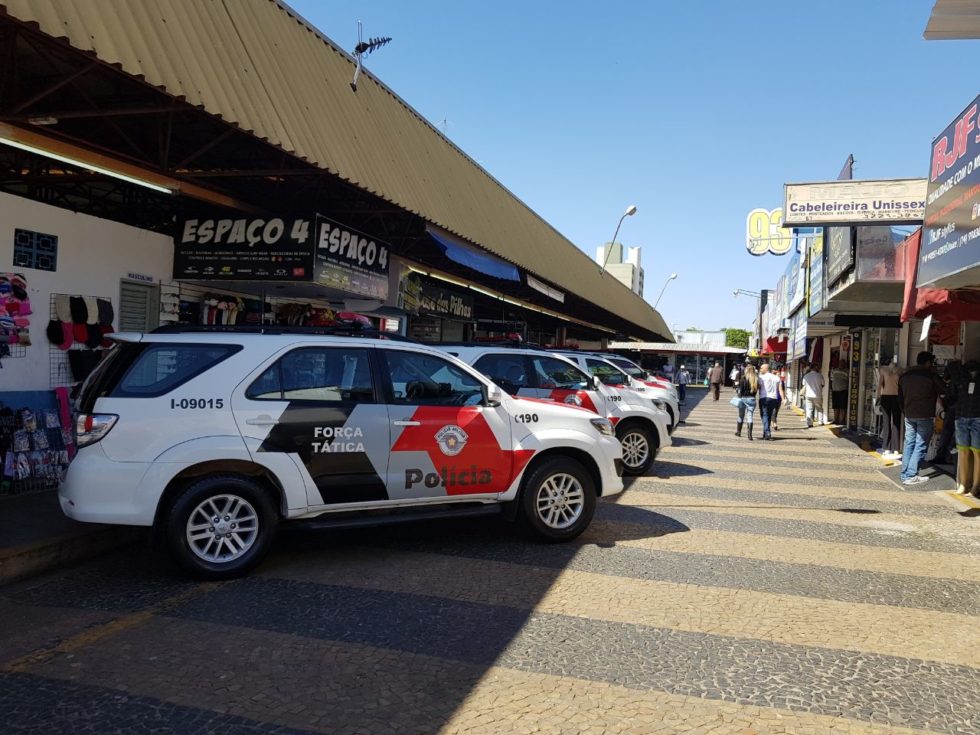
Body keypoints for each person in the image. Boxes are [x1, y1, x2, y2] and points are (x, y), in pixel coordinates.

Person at [898, 351, 946, 486]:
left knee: (909, 444)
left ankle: (905, 474)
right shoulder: (930, 376)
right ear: (928, 363)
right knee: (920, 445)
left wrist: (905, 411)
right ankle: (911, 474)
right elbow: (944, 390)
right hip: (925, 415)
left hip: (909, 414)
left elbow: (900, 398)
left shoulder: (904, 376)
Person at [946, 360, 980, 496]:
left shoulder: (962, 378)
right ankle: (963, 484)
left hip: (977, 418)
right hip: (961, 418)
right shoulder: (959, 378)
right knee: (964, 452)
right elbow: (951, 397)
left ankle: (975, 485)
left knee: (977, 453)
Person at [878, 357, 902, 457]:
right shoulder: (884, 369)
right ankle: (887, 447)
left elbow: (880, 384)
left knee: (896, 422)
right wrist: (878, 397)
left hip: (895, 396)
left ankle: (895, 447)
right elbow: (880, 384)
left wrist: (878, 397)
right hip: (888, 396)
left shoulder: (899, 370)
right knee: (887, 422)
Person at [758, 363, 783, 440]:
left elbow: (758, 387)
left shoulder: (761, 377)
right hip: (773, 399)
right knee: (768, 416)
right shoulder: (776, 378)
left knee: (764, 415)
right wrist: (783, 398)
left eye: (761, 368)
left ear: (766, 369)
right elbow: (780, 389)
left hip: (764, 398)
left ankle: (767, 431)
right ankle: (765, 434)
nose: (760, 369)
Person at [735, 364, 759, 440]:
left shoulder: (743, 379)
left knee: (740, 415)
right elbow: (756, 391)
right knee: (750, 416)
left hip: (743, 399)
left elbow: (740, 390)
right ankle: (750, 435)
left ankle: (738, 432)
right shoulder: (756, 379)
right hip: (752, 399)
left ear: (746, 370)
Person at [829, 361, 849, 425]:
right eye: (840, 363)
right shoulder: (834, 370)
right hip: (835, 390)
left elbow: (849, 380)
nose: (841, 365)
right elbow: (831, 379)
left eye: (842, 364)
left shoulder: (847, 371)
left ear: (845, 364)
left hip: (843, 390)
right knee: (836, 407)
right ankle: (836, 420)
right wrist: (831, 387)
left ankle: (842, 420)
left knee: (843, 407)